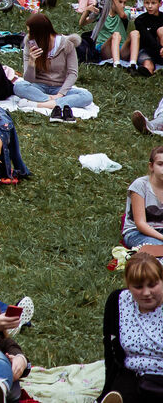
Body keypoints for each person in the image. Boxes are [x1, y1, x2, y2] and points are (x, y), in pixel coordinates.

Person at [100, 251, 163, 403]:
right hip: (132, 374)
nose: (146, 293)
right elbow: (110, 352)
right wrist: (107, 389)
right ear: (128, 286)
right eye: (138, 287)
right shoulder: (118, 301)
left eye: (152, 285)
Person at [13, 12, 94, 121]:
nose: (29, 36)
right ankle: (51, 102)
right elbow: (28, 80)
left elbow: (73, 73)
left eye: (31, 32)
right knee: (19, 86)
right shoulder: (30, 43)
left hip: (59, 87)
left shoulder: (67, 44)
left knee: (87, 96)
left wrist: (60, 94)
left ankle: (40, 104)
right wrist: (32, 62)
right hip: (39, 87)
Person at [122, 146, 163, 248]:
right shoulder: (140, 185)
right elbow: (140, 224)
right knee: (158, 249)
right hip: (137, 233)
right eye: (160, 164)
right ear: (151, 166)